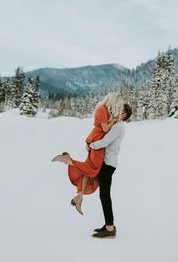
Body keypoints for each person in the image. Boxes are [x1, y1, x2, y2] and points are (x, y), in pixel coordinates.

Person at [51, 92, 124, 215]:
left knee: (87, 171)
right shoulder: (101, 109)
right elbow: (105, 129)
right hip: (97, 141)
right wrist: (115, 120)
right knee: (93, 169)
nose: (116, 109)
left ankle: (79, 197)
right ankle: (69, 160)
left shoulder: (105, 110)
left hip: (96, 140)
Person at [88, 103, 132, 239]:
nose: (117, 111)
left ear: (124, 115)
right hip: (108, 163)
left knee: (105, 195)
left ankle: (110, 228)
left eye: (120, 111)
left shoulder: (118, 126)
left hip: (108, 164)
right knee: (104, 195)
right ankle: (108, 225)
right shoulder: (117, 125)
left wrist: (91, 145)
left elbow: (105, 141)